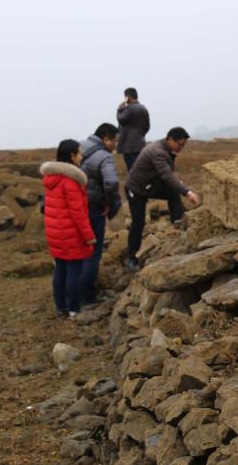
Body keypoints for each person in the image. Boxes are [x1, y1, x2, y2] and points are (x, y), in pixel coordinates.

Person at [124, 127, 200, 269]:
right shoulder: (157, 152)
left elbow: (168, 177)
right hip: (136, 189)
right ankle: (131, 257)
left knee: (172, 192)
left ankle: (178, 225)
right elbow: (167, 176)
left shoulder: (166, 149)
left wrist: (180, 187)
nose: (181, 148)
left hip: (150, 186)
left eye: (184, 145)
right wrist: (188, 193)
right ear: (170, 139)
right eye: (180, 144)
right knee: (138, 222)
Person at [41, 139, 96, 318]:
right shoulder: (70, 182)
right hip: (71, 234)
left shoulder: (52, 180)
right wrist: (89, 236)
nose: (82, 156)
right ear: (72, 156)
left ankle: (61, 307)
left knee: (60, 270)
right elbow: (78, 213)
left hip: (55, 233)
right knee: (73, 271)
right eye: (79, 153)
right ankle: (74, 308)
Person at [79, 122, 121, 305]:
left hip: (76, 206)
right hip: (94, 207)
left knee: (78, 250)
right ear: (106, 139)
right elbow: (111, 183)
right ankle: (88, 296)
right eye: (115, 141)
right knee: (93, 252)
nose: (116, 146)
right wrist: (109, 204)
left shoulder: (80, 149)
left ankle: (72, 292)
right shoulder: (104, 156)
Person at [116, 87, 150, 170]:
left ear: (127, 97)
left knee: (132, 170)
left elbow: (121, 119)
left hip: (129, 146)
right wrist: (140, 134)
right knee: (140, 168)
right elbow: (147, 127)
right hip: (140, 143)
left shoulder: (130, 108)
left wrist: (119, 109)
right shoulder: (143, 108)